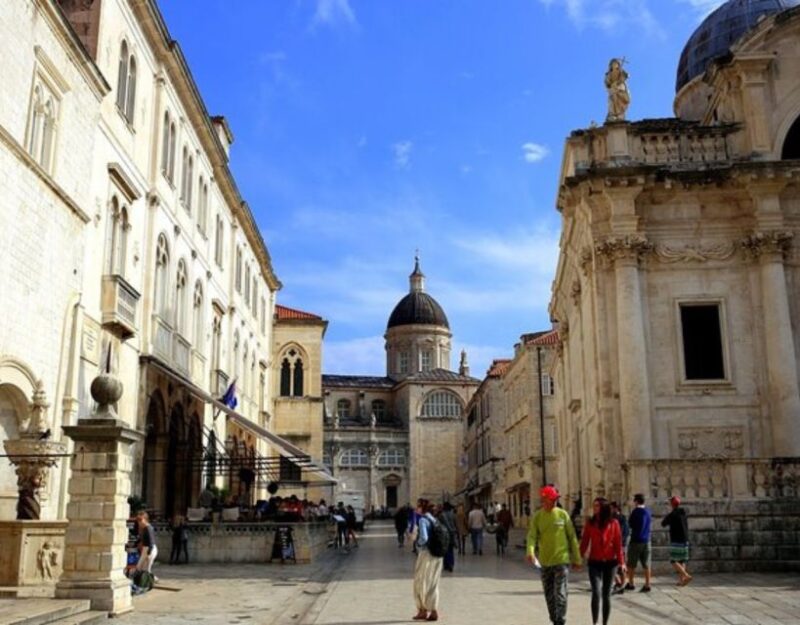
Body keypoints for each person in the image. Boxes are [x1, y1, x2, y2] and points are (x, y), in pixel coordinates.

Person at [526, 486, 582, 625]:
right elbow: (532, 536)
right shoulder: (538, 517)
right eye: (552, 499)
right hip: (545, 562)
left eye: (556, 499)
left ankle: (560, 620)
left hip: (561, 560)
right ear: (544, 499)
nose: (555, 501)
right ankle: (554, 619)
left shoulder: (563, 515)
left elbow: (572, 537)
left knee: (560, 593)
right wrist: (530, 551)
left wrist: (577, 558)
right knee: (549, 594)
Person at [580, 497, 626, 625]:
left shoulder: (614, 523)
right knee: (596, 592)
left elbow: (618, 544)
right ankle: (595, 622)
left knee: (606, 594)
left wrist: (622, 562)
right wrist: (578, 558)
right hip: (594, 562)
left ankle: (605, 623)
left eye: (597, 506)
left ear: (604, 508)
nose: (594, 508)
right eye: (594, 505)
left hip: (610, 562)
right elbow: (584, 542)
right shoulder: (590, 523)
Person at [412, 499, 443, 622]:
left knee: (420, 582)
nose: (416, 508)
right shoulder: (434, 520)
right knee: (433, 583)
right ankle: (433, 611)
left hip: (426, 553)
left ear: (422, 507)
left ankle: (422, 610)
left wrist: (417, 545)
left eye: (418, 506)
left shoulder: (423, 520)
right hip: (438, 554)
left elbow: (424, 538)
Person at [662, 495, 692, 586]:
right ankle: (682, 580)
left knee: (673, 560)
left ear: (672, 504)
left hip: (676, 540)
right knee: (682, 560)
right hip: (685, 539)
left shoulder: (672, 514)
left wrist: (669, 514)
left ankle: (686, 575)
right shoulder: (683, 513)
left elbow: (663, 523)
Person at [626, 493, 652, 592]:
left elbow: (630, 524)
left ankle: (631, 583)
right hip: (647, 540)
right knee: (646, 564)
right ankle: (647, 584)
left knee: (631, 564)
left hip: (636, 540)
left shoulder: (635, 511)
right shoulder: (648, 511)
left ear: (636, 501)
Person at [610, 501, 630, 594]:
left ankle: (621, 584)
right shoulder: (622, 518)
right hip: (620, 544)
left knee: (619, 565)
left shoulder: (617, 519)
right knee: (617, 565)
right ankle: (620, 583)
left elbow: (622, 533)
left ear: (615, 508)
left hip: (618, 545)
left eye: (611, 508)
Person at [136, 511, 158, 576]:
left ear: (145, 519)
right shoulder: (144, 528)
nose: (139, 522)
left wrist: (149, 553)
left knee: (144, 569)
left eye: (140, 520)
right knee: (141, 568)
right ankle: (149, 579)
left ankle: (151, 579)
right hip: (147, 549)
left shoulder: (148, 528)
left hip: (149, 549)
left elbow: (151, 541)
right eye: (138, 520)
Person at [437, 502, 457, 572]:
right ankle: (451, 563)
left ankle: (446, 564)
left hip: (444, 534)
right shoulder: (453, 515)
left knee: (445, 549)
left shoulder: (441, 515)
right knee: (451, 549)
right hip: (452, 534)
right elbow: (455, 523)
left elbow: (439, 524)